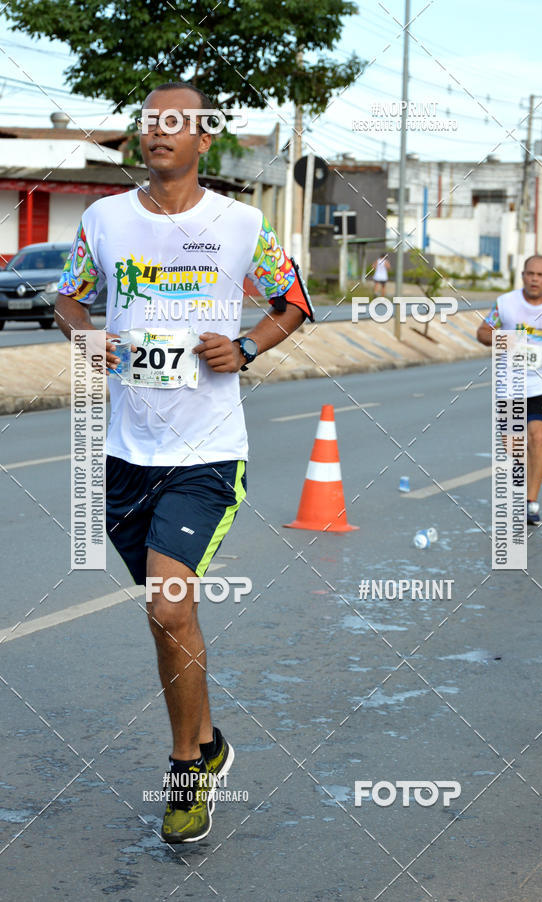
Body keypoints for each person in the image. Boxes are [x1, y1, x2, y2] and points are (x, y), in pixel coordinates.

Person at [54, 81, 313, 844]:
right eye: (150, 121)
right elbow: (70, 299)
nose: (160, 130)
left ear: (205, 141)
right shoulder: (104, 219)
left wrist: (247, 346)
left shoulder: (240, 224)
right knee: (172, 620)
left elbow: (292, 298)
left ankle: (182, 771)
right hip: (127, 452)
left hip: (207, 451)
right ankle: (207, 743)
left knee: (168, 606)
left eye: (178, 122)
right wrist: (82, 335)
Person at [476, 254, 542, 525]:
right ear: (523, 276)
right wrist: (503, 338)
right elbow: (482, 332)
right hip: (509, 382)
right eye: (529, 273)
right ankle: (521, 479)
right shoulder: (506, 304)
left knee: (538, 437)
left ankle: (530, 503)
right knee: (514, 446)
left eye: (540, 274)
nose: (534, 279)